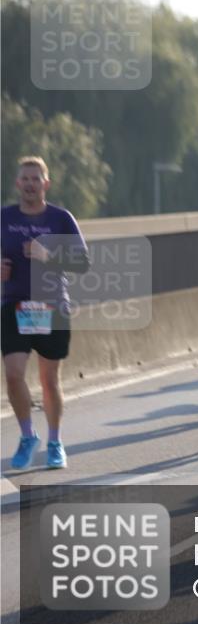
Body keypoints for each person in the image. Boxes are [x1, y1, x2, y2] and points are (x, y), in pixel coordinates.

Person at [3, 156, 90, 470]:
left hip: (51, 306)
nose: (29, 184)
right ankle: (28, 436)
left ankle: (55, 442)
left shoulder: (60, 219)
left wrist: (48, 255)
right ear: (17, 183)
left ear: (46, 184)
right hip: (14, 306)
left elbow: (82, 263)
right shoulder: (4, 217)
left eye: (35, 179)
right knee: (13, 376)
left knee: (49, 380)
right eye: (24, 179)